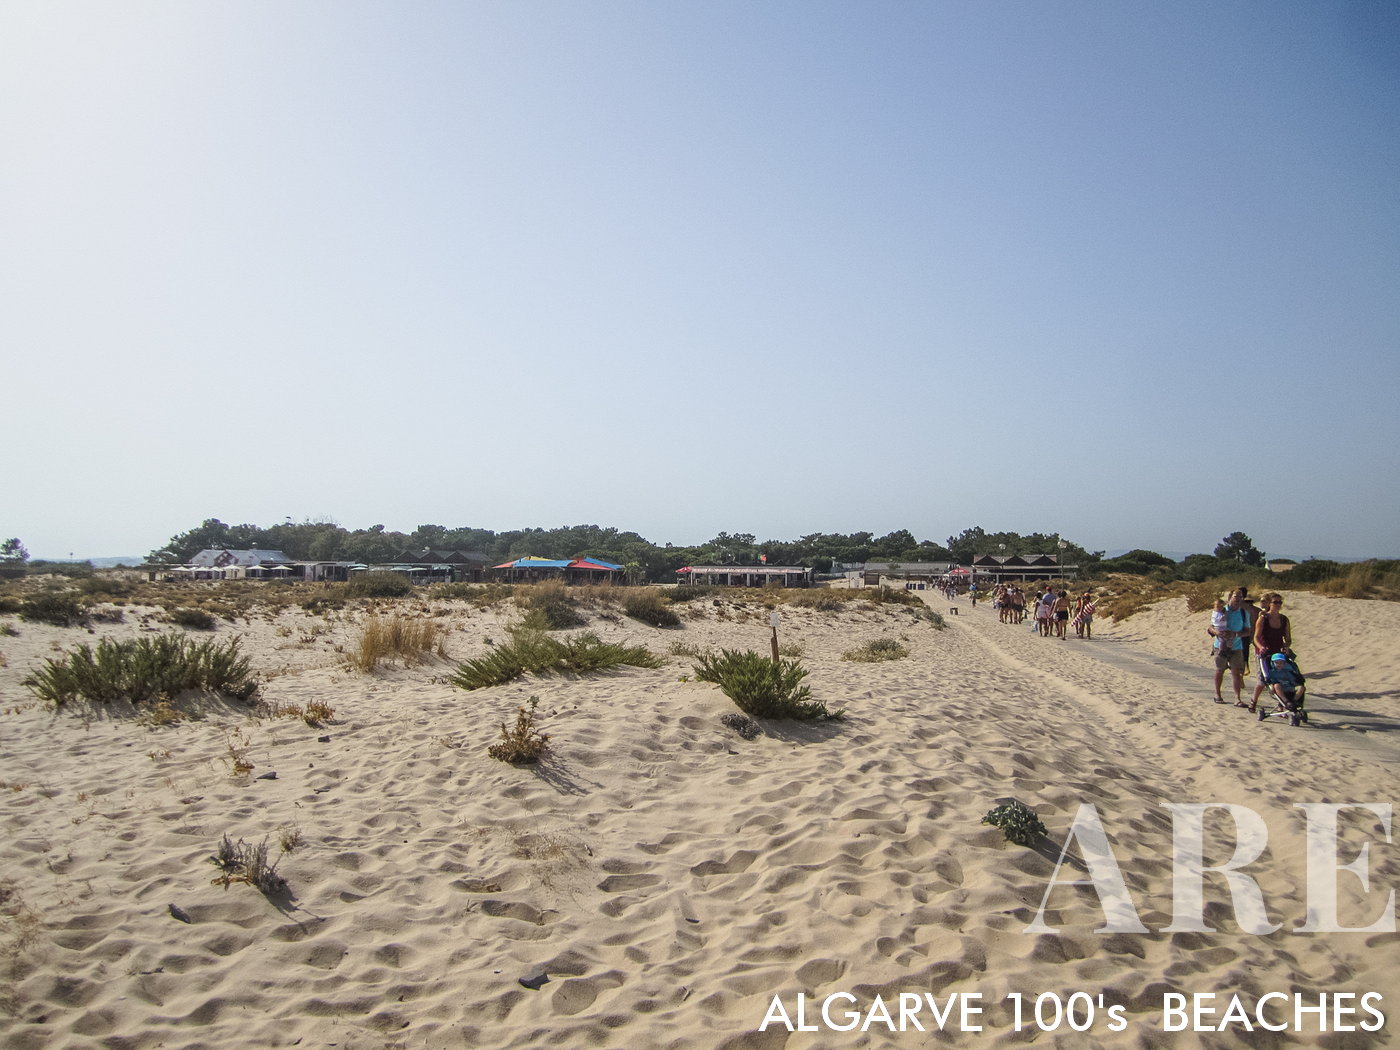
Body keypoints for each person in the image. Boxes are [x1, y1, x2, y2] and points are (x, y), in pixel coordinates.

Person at [1250, 593, 1293, 712]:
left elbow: (1288, 638)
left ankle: (1282, 704)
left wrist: (1286, 646)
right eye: (1275, 602)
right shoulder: (1263, 618)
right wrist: (1261, 647)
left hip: (1278, 653)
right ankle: (1253, 701)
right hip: (1263, 653)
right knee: (1263, 680)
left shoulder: (1284, 619)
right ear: (1269, 604)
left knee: (1280, 679)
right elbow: (1256, 637)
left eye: (1280, 602)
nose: (1278, 605)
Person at [1211, 589, 1250, 705]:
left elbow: (1247, 631)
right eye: (1236, 596)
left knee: (1236, 672)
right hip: (1220, 646)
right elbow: (1210, 627)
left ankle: (1237, 698)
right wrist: (1217, 633)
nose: (1238, 599)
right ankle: (1217, 694)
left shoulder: (1244, 613)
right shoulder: (1221, 609)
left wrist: (1236, 634)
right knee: (1220, 670)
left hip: (1236, 646)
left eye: (1240, 597)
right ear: (1230, 597)